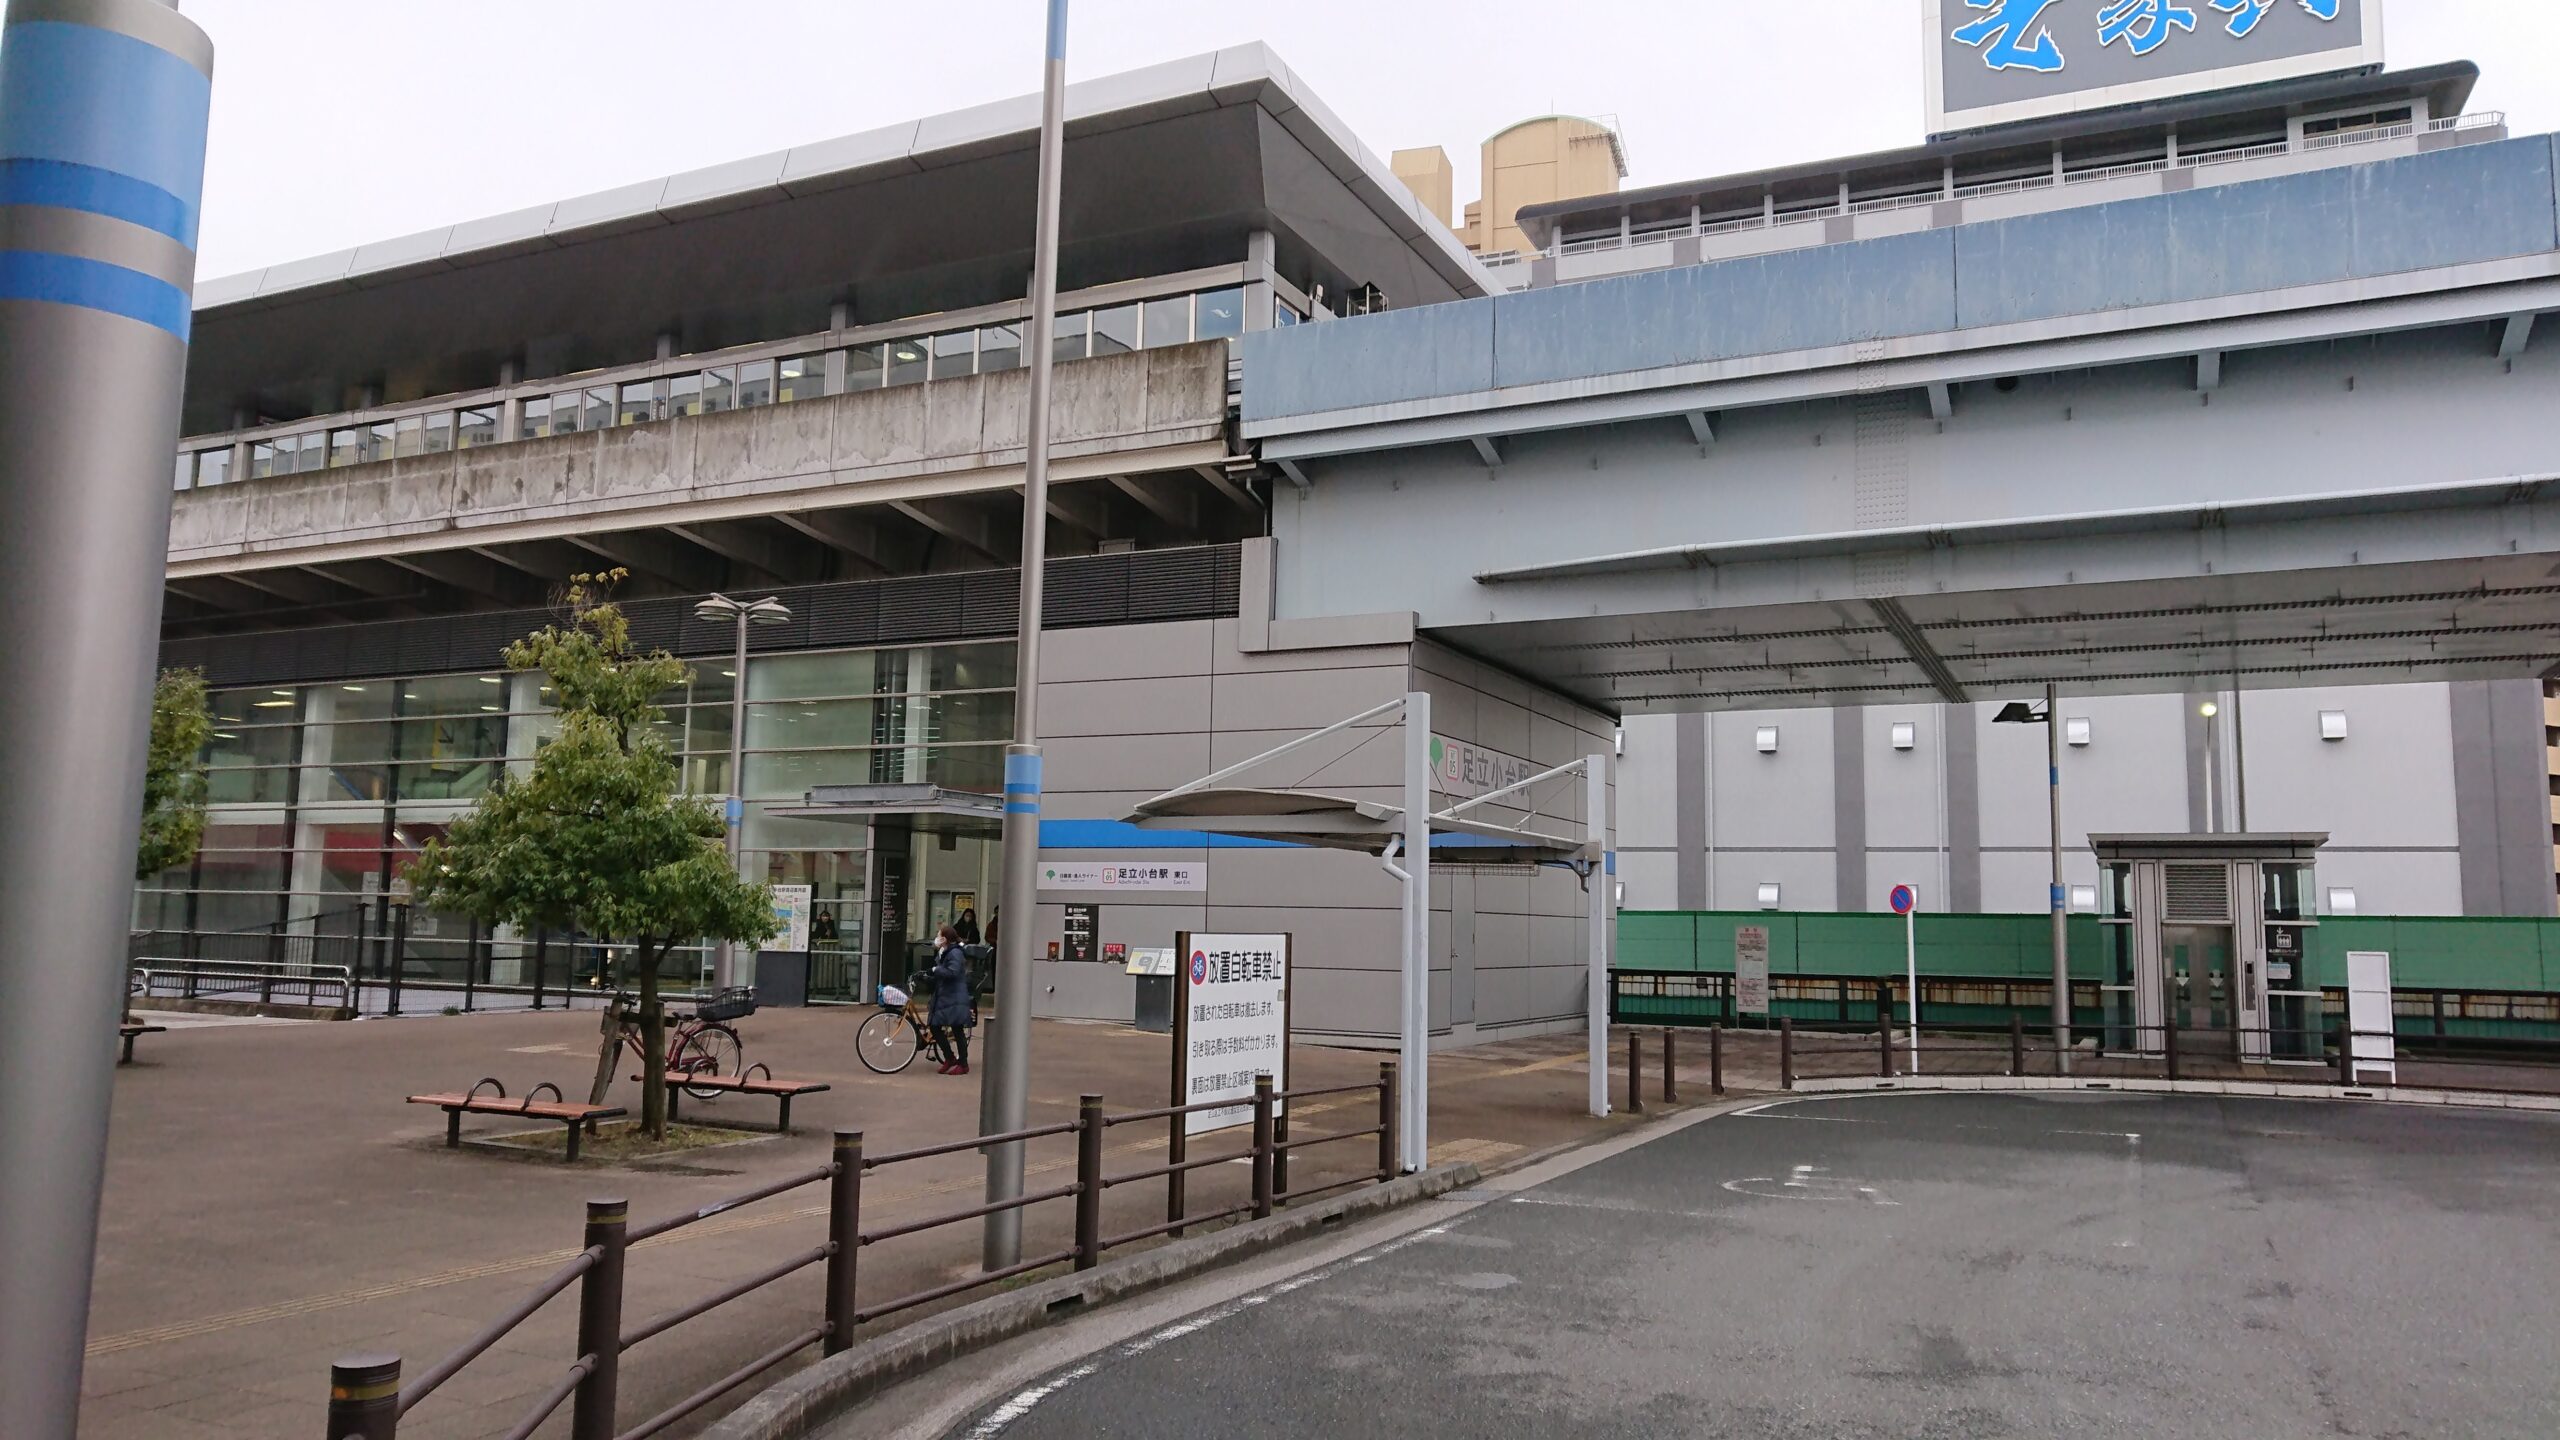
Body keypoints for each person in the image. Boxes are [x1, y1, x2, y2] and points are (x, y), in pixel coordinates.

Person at [927, 923, 975, 1076]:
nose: (937, 938)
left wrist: (936, 970)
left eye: (939, 935)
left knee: (957, 1029)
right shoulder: (945, 951)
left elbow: (952, 972)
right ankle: (949, 1057)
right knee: (935, 1026)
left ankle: (963, 1064)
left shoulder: (955, 953)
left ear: (946, 939)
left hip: (954, 996)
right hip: (946, 995)